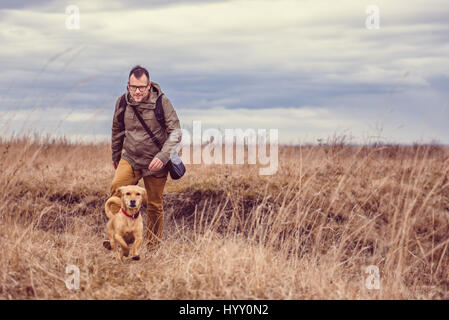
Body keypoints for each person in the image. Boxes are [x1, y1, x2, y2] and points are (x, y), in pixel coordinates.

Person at [108, 65, 182, 251]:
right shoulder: (123, 102)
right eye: (133, 87)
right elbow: (117, 130)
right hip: (131, 157)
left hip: (155, 162)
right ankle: (122, 236)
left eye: (141, 87)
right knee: (116, 190)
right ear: (128, 85)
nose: (137, 91)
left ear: (149, 86)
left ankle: (153, 247)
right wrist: (116, 155)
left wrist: (163, 156)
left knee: (154, 205)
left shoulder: (162, 102)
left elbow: (176, 132)